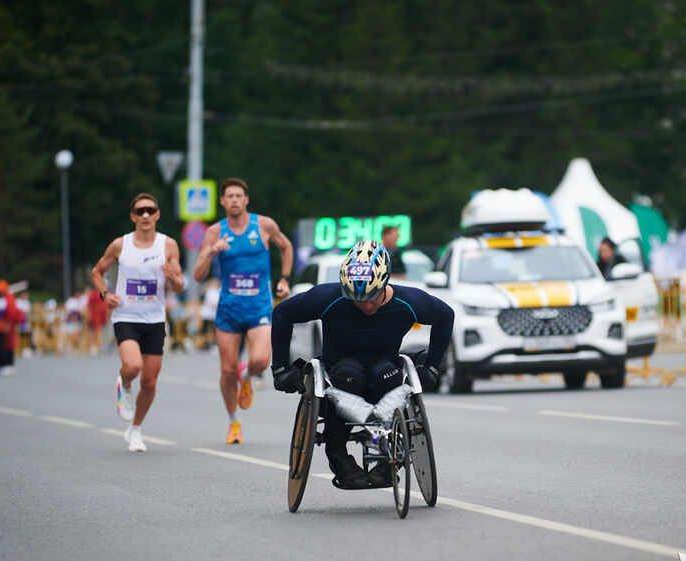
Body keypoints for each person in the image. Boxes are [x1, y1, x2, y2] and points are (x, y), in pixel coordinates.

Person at [270, 240, 454, 489]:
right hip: (340, 378)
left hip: (384, 373)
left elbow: (445, 316)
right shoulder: (328, 297)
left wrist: (432, 366)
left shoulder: (408, 301)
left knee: (387, 377)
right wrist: (280, 368)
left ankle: (390, 457)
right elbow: (282, 313)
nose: (366, 305)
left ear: (385, 282)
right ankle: (339, 456)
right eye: (357, 299)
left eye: (372, 297)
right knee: (349, 376)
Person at [192, 178, 293, 444]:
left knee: (260, 361)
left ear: (246, 199)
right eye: (230, 196)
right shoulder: (215, 232)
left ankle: (246, 377)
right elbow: (198, 275)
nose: (235, 200)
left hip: (259, 306)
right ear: (223, 202)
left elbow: (286, 247)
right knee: (227, 370)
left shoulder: (264, 225)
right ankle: (233, 422)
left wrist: (284, 278)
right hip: (228, 311)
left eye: (239, 195)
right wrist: (211, 252)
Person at [91, 192, 184, 453]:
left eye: (150, 210)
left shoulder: (168, 245)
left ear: (157, 215)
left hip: (154, 319)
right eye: (140, 211)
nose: (145, 215)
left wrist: (172, 277)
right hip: (126, 315)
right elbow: (97, 272)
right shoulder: (121, 245)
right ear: (133, 216)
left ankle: (135, 429)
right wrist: (105, 295)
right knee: (133, 366)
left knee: (150, 382)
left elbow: (179, 285)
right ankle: (124, 382)